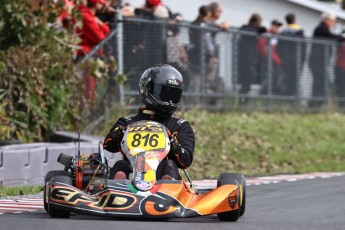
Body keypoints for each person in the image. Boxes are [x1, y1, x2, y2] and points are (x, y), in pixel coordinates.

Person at [103, 64, 195, 180]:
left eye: (173, 95)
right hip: (132, 179)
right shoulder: (127, 122)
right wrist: (118, 134)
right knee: (120, 165)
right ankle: (119, 186)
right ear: (148, 89)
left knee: (169, 165)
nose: (169, 100)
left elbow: (185, 161)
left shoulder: (180, 126)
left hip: (165, 182)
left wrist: (173, 144)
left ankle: (166, 185)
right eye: (165, 93)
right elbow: (108, 145)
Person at [309, 12, 345, 108]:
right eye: (333, 21)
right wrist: (342, 38)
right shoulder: (321, 28)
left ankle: (317, 105)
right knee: (319, 84)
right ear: (327, 20)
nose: (334, 23)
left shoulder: (323, 29)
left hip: (320, 62)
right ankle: (315, 106)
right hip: (317, 62)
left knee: (321, 84)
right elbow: (331, 36)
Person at [237, 13, 266, 104]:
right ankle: (243, 101)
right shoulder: (247, 29)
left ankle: (243, 100)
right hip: (246, 59)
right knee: (246, 81)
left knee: (247, 82)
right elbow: (261, 30)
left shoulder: (253, 30)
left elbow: (263, 30)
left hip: (248, 59)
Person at [277, 13, 305, 97]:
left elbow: (279, 47)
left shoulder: (283, 32)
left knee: (287, 79)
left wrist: (282, 57)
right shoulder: (299, 31)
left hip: (286, 60)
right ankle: (293, 98)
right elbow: (303, 47)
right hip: (296, 60)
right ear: (294, 20)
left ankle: (286, 97)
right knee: (295, 80)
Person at [257, 19, 283, 95]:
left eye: (278, 26)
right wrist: (271, 58)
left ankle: (271, 96)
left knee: (275, 78)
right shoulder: (267, 34)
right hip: (267, 61)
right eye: (276, 26)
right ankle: (263, 95)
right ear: (272, 25)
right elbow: (262, 48)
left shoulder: (277, 36)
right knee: (267, 78)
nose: (277, 28)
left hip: (275, 62)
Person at [335, 41, 345, 108]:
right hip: (340, 68)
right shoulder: (341, 41)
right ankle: (342, 105)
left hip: (340, 67)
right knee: (341, 88)